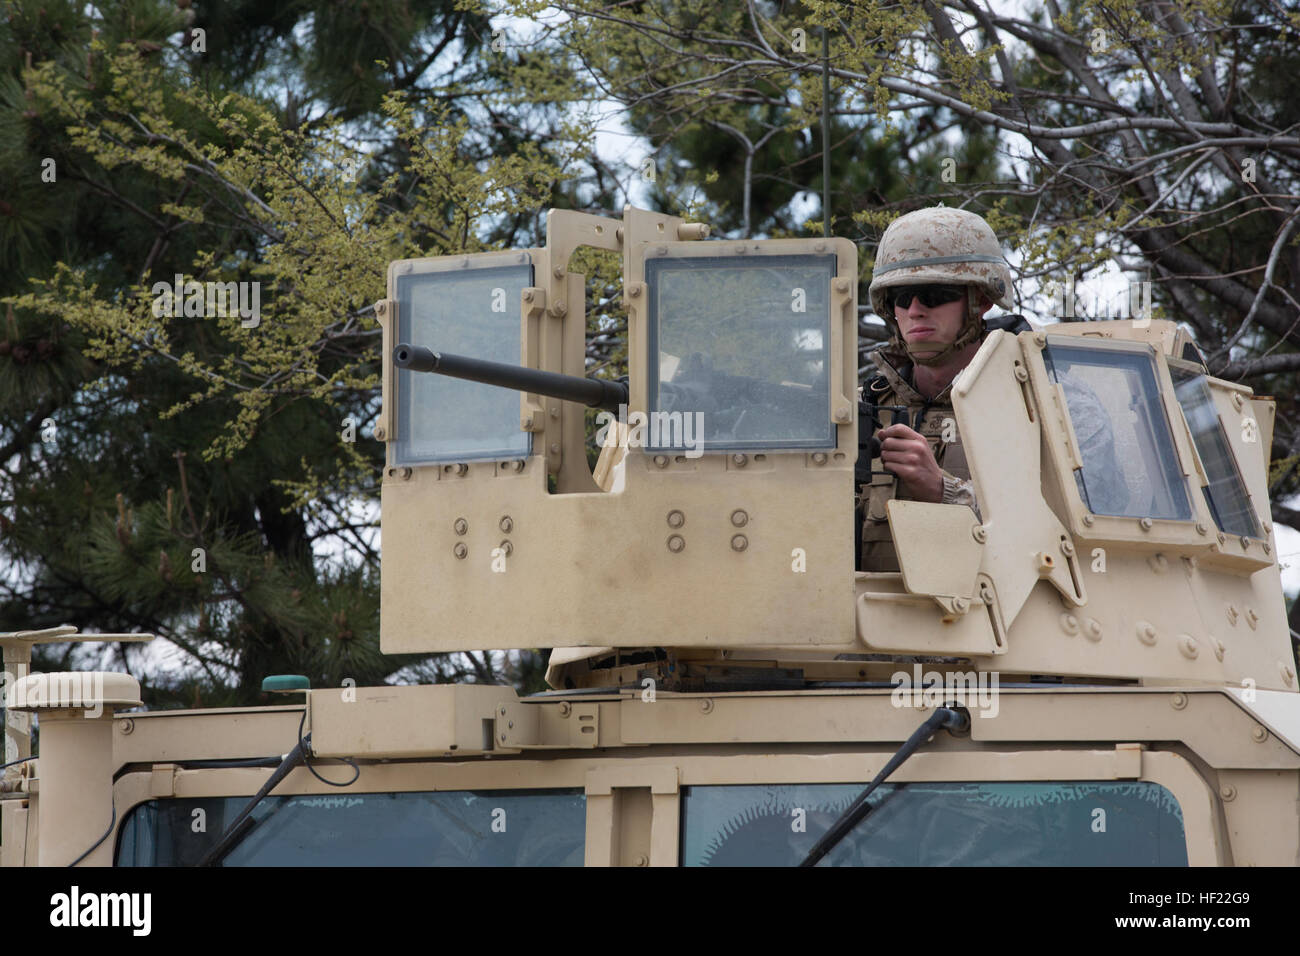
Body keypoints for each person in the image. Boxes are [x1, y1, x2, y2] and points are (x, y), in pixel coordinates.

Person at [858, 206, 1016, 572]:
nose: (914, 310)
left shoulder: (1032, 402)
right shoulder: (863, 407)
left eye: (934, 294)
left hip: (984, 619)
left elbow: (1060, 529)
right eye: (901, 297)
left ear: (981, 300)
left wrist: (943, 491)